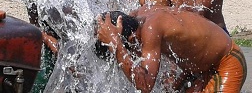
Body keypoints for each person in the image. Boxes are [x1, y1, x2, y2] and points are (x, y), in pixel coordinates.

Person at [96, 5, 247, 92]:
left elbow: (145, 85)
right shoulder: (136, 17)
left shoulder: (151, 28)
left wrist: (115, 45)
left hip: (226, 62)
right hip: (196, 70)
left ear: (131, 39)